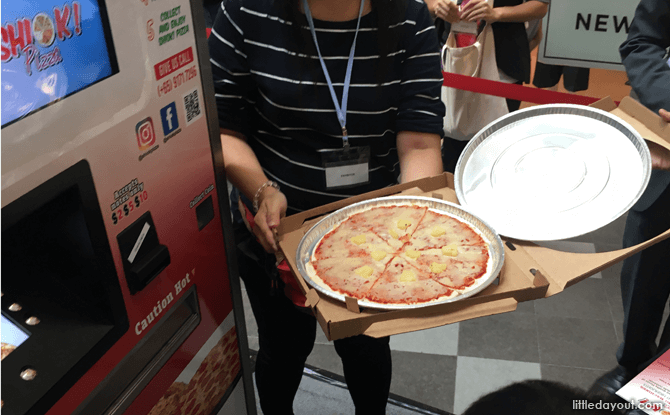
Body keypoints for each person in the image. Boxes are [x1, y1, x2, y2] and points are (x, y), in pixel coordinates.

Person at [208, 0, 445, 413]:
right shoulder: (248, 10)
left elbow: (420, 140)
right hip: (279, 228)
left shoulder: (409, 15)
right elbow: (223, 128)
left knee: (367, 350)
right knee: (282, 348)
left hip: (376, 233)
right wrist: (262, 190)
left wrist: (410, 226)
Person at [588, 0, 670, 403]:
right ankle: (632, 364)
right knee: (641, 277)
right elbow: (642, 41)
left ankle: (660, 392)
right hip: (665, 154)